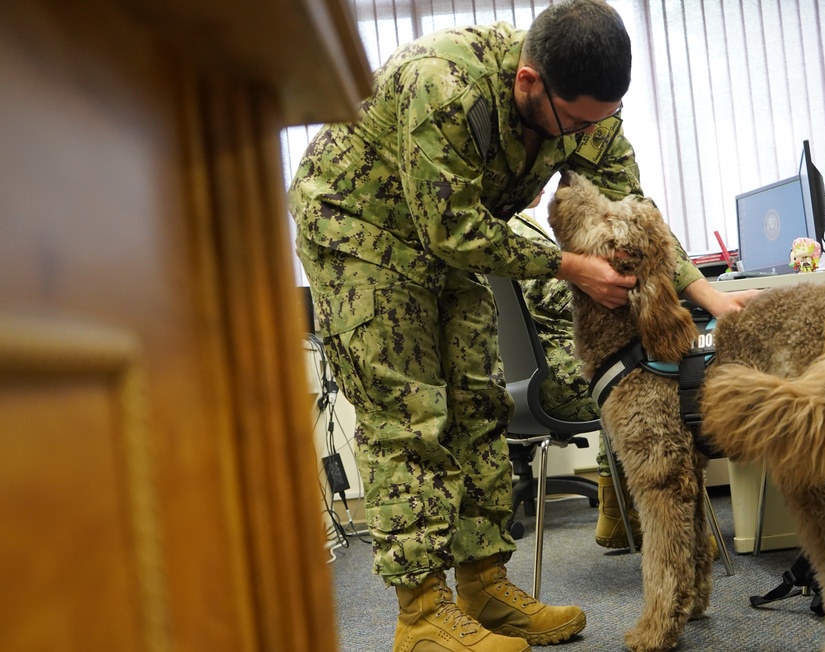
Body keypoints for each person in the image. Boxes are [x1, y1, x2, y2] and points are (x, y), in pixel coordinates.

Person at [289, 2, 755, 650]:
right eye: (580, 122)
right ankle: (422, 616)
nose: (589, 134)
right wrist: (568, 265)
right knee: (411, 415)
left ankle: (483, 588)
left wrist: (702, 291)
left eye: (604, 119)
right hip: (360, 228)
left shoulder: (585, 107)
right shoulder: (444, 83)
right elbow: (449, 228)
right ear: (529, 83)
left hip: (450, 234)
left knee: (479, 404)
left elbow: (633, 207)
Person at [509, 196, 734, 555]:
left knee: (628, 367)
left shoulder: (497, 228)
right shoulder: (519, 230)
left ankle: (617, 509)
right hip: (559, 380)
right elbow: (572, 298)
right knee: (638, 376)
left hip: (519, 379)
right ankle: (657, 516)